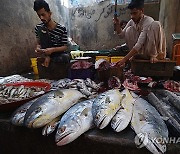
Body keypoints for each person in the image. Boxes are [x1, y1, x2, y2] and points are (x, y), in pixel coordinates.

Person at [114, 0, 166, 66]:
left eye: (135, 13)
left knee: (156, 24)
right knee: (128, 30)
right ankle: (136, 55)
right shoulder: (132, 21)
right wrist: (117, 24)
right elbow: (121, 35)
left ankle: (154, 55)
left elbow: (139, 43)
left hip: (152, 52)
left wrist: (125, 59)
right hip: (141, 52)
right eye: (131, 13)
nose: (132, 16)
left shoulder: (148, 21)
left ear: (142, 11)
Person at [33, 0, 70, 67]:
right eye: (39, 15)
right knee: (38, 61)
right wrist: (38, 49)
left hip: (59, 55)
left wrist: (52, 50)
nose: (41, 18)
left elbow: (65, 47)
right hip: (45, 54)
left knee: (65, 57)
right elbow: (39, 44)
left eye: (43, 15)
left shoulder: (61, 29)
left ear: (49, 13)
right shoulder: (38, 28)